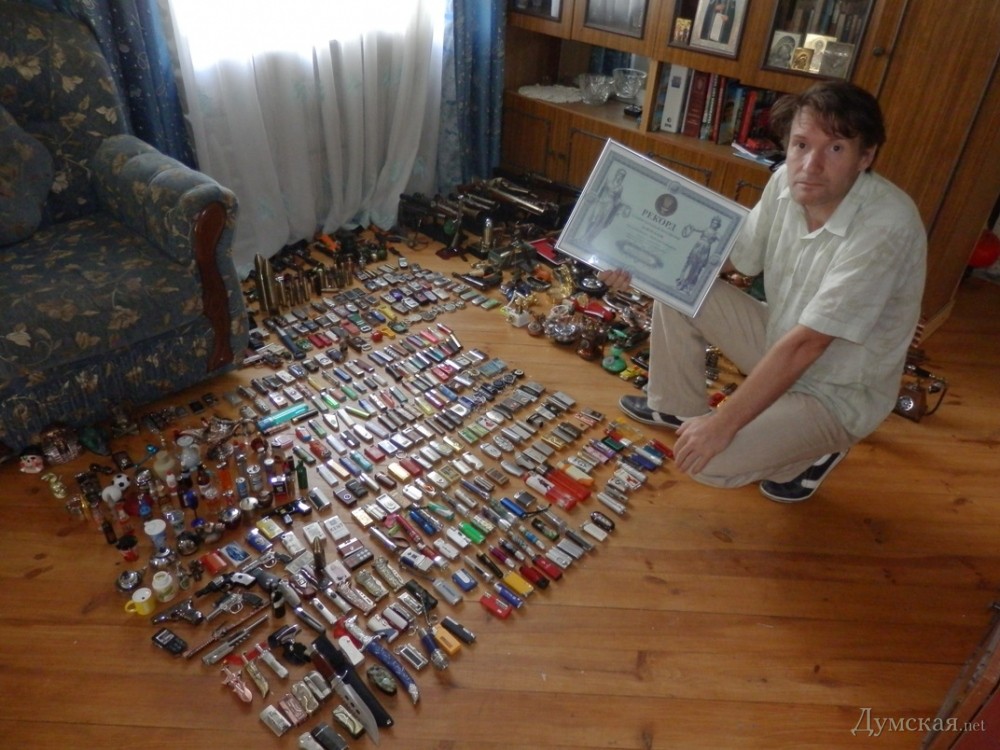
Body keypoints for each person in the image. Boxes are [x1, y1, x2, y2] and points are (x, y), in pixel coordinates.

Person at [599, 80, 926, 502]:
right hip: (779, 338)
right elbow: (735, 257)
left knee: (709, 462)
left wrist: (722, 424)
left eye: (835, 148)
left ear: (866, 156)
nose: (811, 165)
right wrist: (639, 262)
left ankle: (815, 452)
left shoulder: (887, 227)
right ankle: (676, 405)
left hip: (838, 390)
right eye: (801, 145)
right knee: (680, 286)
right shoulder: (785, 182)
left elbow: (809, 344)